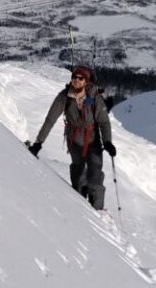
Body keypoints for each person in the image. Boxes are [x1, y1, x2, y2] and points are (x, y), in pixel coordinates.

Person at [26, 66, 116, 210]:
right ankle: (80, 207)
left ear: (86, 81)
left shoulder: (94, 98)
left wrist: (107, 142)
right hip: (73, 141)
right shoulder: (64, 97)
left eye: (80, 78)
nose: (76, 81)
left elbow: (104, 122)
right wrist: (38, 143)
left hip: (92, 141)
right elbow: (50, 119)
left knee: (95, 175)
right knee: (78, 172)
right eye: (74, 78)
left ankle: (98, 211)